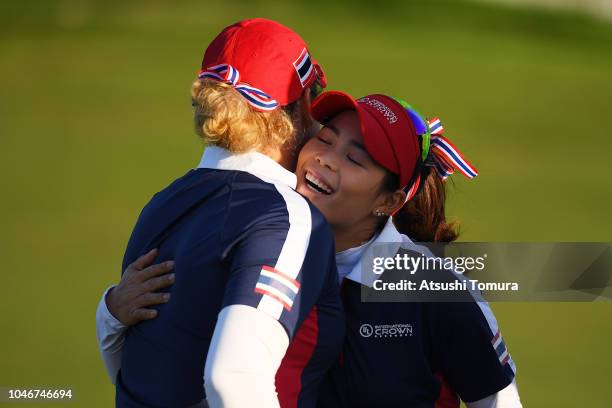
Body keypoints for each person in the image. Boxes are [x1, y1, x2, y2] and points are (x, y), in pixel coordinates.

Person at [100, 90, 523, 407]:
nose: (326, 159)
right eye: (326, 138)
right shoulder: (252, 237)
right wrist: (114, 312)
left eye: (355, 159)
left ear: (389, 202)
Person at [96, 18, 345, 408]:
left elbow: (134, 371)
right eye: (313, 97)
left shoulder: (160, 204)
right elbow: (233, 379)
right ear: (294, 110)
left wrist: (106, 314)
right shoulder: (288, 216)